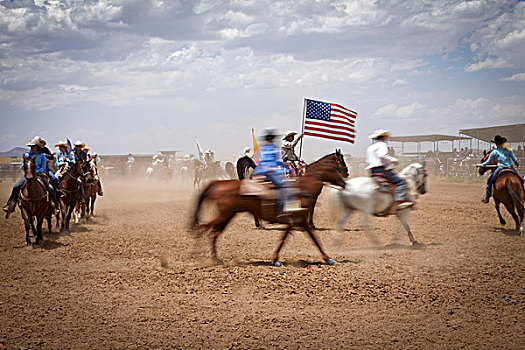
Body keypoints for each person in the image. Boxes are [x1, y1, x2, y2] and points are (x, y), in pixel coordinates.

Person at [3, 138, 58, 218]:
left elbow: (43, 167)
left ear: (37, 147)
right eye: (31, 146)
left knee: (50, 187)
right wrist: (28, 171)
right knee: (16, 186)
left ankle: (54, 205)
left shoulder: (42, 155)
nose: (31, 148)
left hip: (39, 175)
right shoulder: (27, 155)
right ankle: (10, 204)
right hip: (28, 175)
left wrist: (37, 172)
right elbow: (23, 166)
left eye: (33, 146)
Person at [366, 130, 414, 209]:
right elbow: (383, 155)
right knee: (401, 181)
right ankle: (400, 200)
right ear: (383, 137)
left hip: (372, 170)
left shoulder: (371, 147)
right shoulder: (382, 144)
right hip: (380, 170)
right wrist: (393, 160)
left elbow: (369, 160)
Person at [253, 129, 289, 214]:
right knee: (282, 186)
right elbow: (276, 162)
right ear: (272, 139)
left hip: (260, 170)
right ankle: (281, 210)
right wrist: (286, 168)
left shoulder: (261, 148)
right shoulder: (274, 148)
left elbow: (258, 160)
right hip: (269, 172)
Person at [481, 135, 522, 203]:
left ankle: (487, 197)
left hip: (500, 168)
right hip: (510, 168)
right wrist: (516, 163)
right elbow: (514, 159)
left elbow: (488, 161)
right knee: (520, 180)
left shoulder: (494, 152)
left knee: (489, 181)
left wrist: (482, 164)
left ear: (496, 144)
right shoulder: (508, 150)